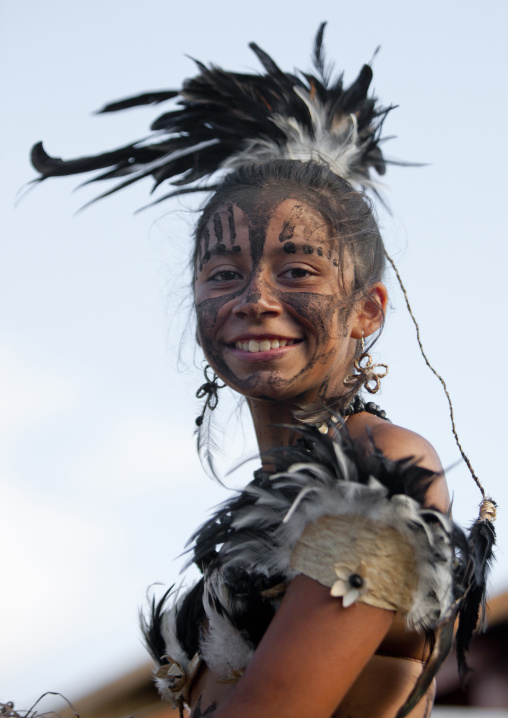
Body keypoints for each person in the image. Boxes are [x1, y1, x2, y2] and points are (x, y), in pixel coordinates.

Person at [30, 24, 496, 718]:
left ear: (367, 311)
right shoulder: (268, 506)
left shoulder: (385, 468)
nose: (255, 299)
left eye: (298, 270)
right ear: (197, 306)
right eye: (224, 273)